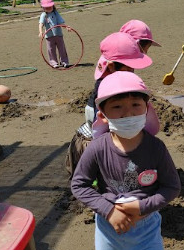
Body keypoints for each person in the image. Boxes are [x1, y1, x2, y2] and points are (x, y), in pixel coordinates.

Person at [71, 71, 181, 250]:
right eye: (117, 107)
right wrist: (109, 211)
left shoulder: (156, 148)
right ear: (103, 115)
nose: (128, 112)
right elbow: (80, 185)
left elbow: (171, 187)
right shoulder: (97, 148)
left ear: (147, 109)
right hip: (109, 233)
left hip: (147, 233)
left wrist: (142, 206)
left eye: (135, 105)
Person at [64, 32, 156, 177]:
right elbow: (103, 130)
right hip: (91, 144)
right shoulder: (106, 90)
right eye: (130, 68)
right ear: (112, 66)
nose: (132, 72)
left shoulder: (112, 81)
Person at [38, 0, 69, 69]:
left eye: (50, 7)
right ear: (43, 8)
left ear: (53, 6)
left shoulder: (55, 13)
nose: (48, 8)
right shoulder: (43, 15)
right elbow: (41, 24)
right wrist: (40, 31)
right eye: (46, 7)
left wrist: (66, 27)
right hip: (49, 36)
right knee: (51, 50)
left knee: (62, 48)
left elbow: (60, 21)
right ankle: (53, 62)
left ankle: (64, 61)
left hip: (58, 34)